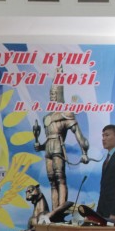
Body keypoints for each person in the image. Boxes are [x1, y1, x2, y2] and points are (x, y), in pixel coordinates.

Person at [33, 67, 90, 210]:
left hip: (58, 147)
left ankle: (61, 209)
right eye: (51, 93)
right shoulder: (47, 117)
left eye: (55, 93)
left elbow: (78, 134)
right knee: (52, 181)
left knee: (60, 178)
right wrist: (40, 146)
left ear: (60, 94)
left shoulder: (66, 114)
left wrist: (84, 152)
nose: (53, 95)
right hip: (49, 149)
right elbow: (48, 139)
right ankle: (54, 211)